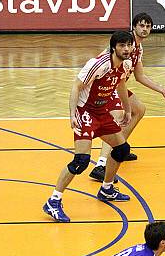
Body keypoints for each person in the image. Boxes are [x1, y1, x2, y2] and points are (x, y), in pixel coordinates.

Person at [43, 31, 134, 223]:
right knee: (81, 161)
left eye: (129, 45)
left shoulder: (125, 65)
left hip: (103, 113)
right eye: (122, 45)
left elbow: (121, 85)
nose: (126, 49)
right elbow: (76, 86)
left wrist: (127, 110)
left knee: (122, 149)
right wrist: (72, 114)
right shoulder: (98, 64)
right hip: (86, 113)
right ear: (113, 47)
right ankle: (53, 201)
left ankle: (107, 189)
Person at [89, 12, 165, 183]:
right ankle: (101, 165)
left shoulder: (139, 48)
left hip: (118, 84)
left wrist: (161, 90)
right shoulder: (125, 44)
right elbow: (104, 57)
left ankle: (121, 149)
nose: (145, 29)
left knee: (139, 109)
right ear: (134, 27)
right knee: (114, 123)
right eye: (141, 26)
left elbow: (140, 76)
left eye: (148, 26)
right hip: (106, 84)